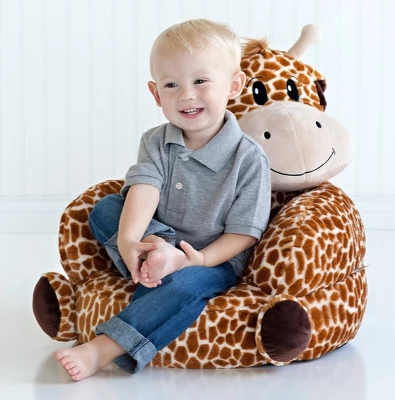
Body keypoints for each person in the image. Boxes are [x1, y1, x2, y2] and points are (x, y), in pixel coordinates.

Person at [54, 18, 271, 381]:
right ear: (156, 95)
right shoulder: (156, 140)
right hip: (158, 236)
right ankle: (154, 256)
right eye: (172, 85)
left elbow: (245, 233)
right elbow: (144, 189)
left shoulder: (248, 158)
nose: (186, 95)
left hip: (211, 259)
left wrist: (196, 259)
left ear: (233, 86)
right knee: (105, 209)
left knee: (186, 286)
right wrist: (130, 241)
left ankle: (106, 346)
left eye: (200, 81)